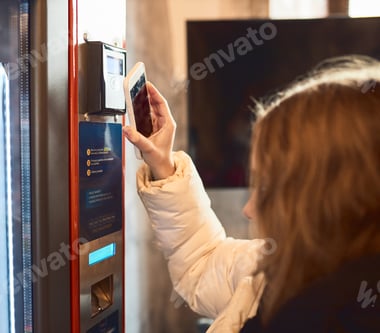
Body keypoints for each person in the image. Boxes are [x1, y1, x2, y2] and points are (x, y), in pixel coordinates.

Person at [122, 55, 380, 333]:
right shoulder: (287, 266)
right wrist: (164, 165)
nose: (250, 209)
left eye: (267, 187)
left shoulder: (315, 316)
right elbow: (203, 262)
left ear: (329, 197)